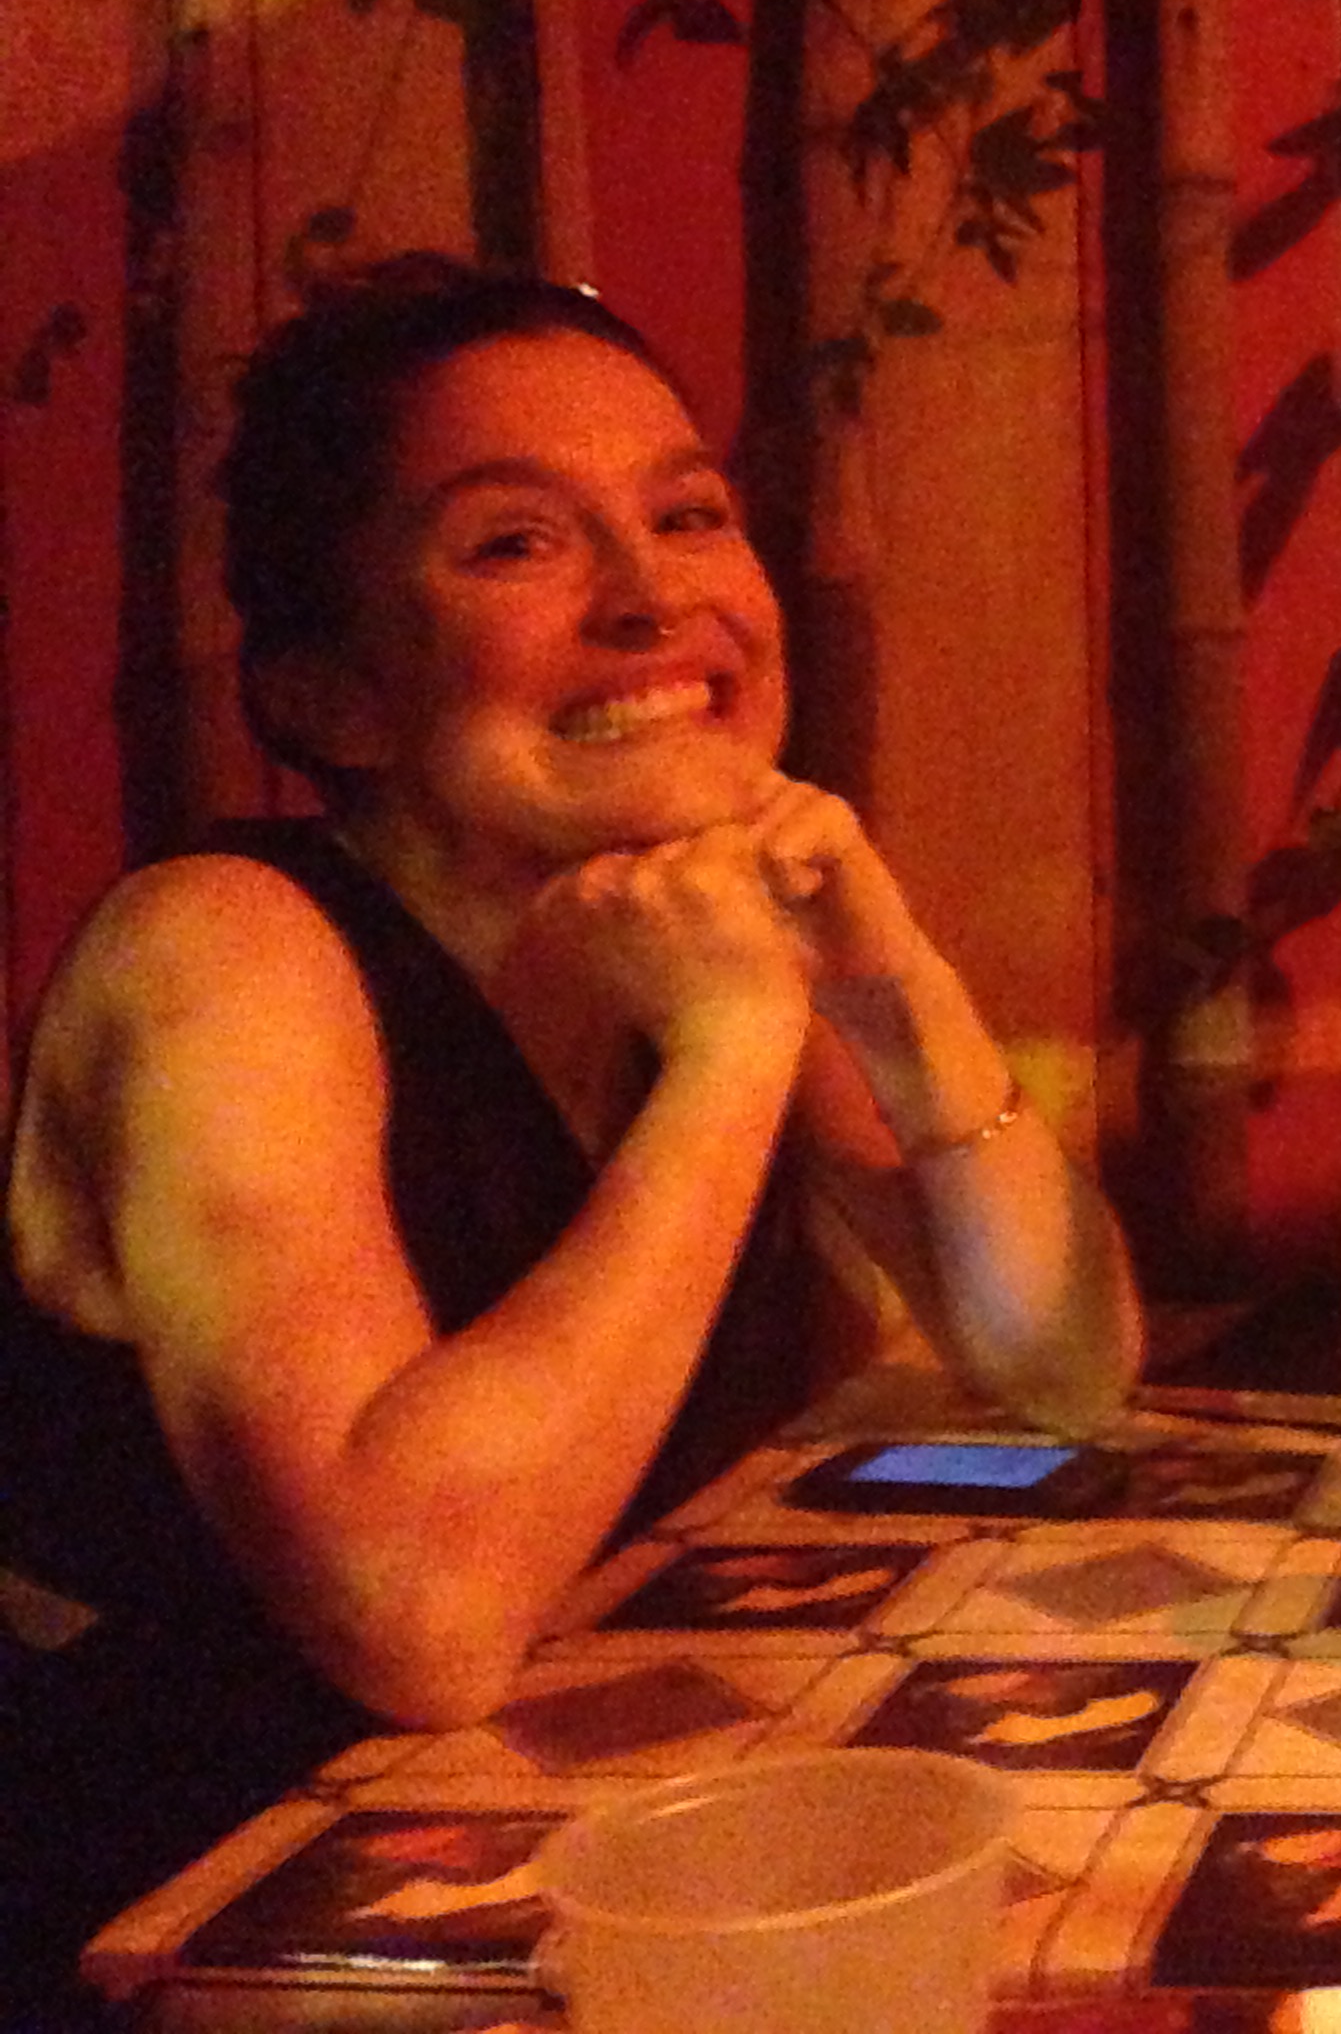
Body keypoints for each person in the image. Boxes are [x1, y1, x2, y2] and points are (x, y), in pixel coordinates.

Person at [0, 258, 1143, 2013]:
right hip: (189, 1941)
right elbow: (419, 1623)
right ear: (331, 695)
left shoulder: (676, 918)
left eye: (688, 516)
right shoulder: (220, 957)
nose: (655, 598)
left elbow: (1059, 1360)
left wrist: (889, 976)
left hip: (554, 1877)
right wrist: (735, 1042)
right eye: (515, 542)